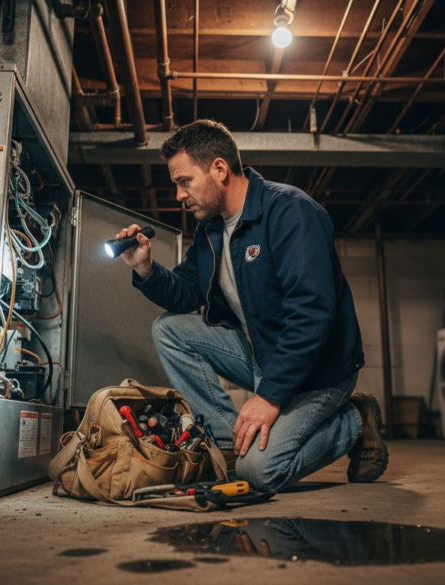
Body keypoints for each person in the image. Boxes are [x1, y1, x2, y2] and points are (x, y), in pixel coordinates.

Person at [115, 119, 387, 492]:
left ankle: (356, 419)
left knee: (259, 472)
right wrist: (144, 267)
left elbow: (312, 313)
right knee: (169, 329)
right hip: (264, 354)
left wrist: (269, 397)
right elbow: (187, 291)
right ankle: (227, 445)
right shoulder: (212, 230)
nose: (178, 194)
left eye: (184, 181)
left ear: (219, 169)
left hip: (320, 371)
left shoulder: (290, 212)